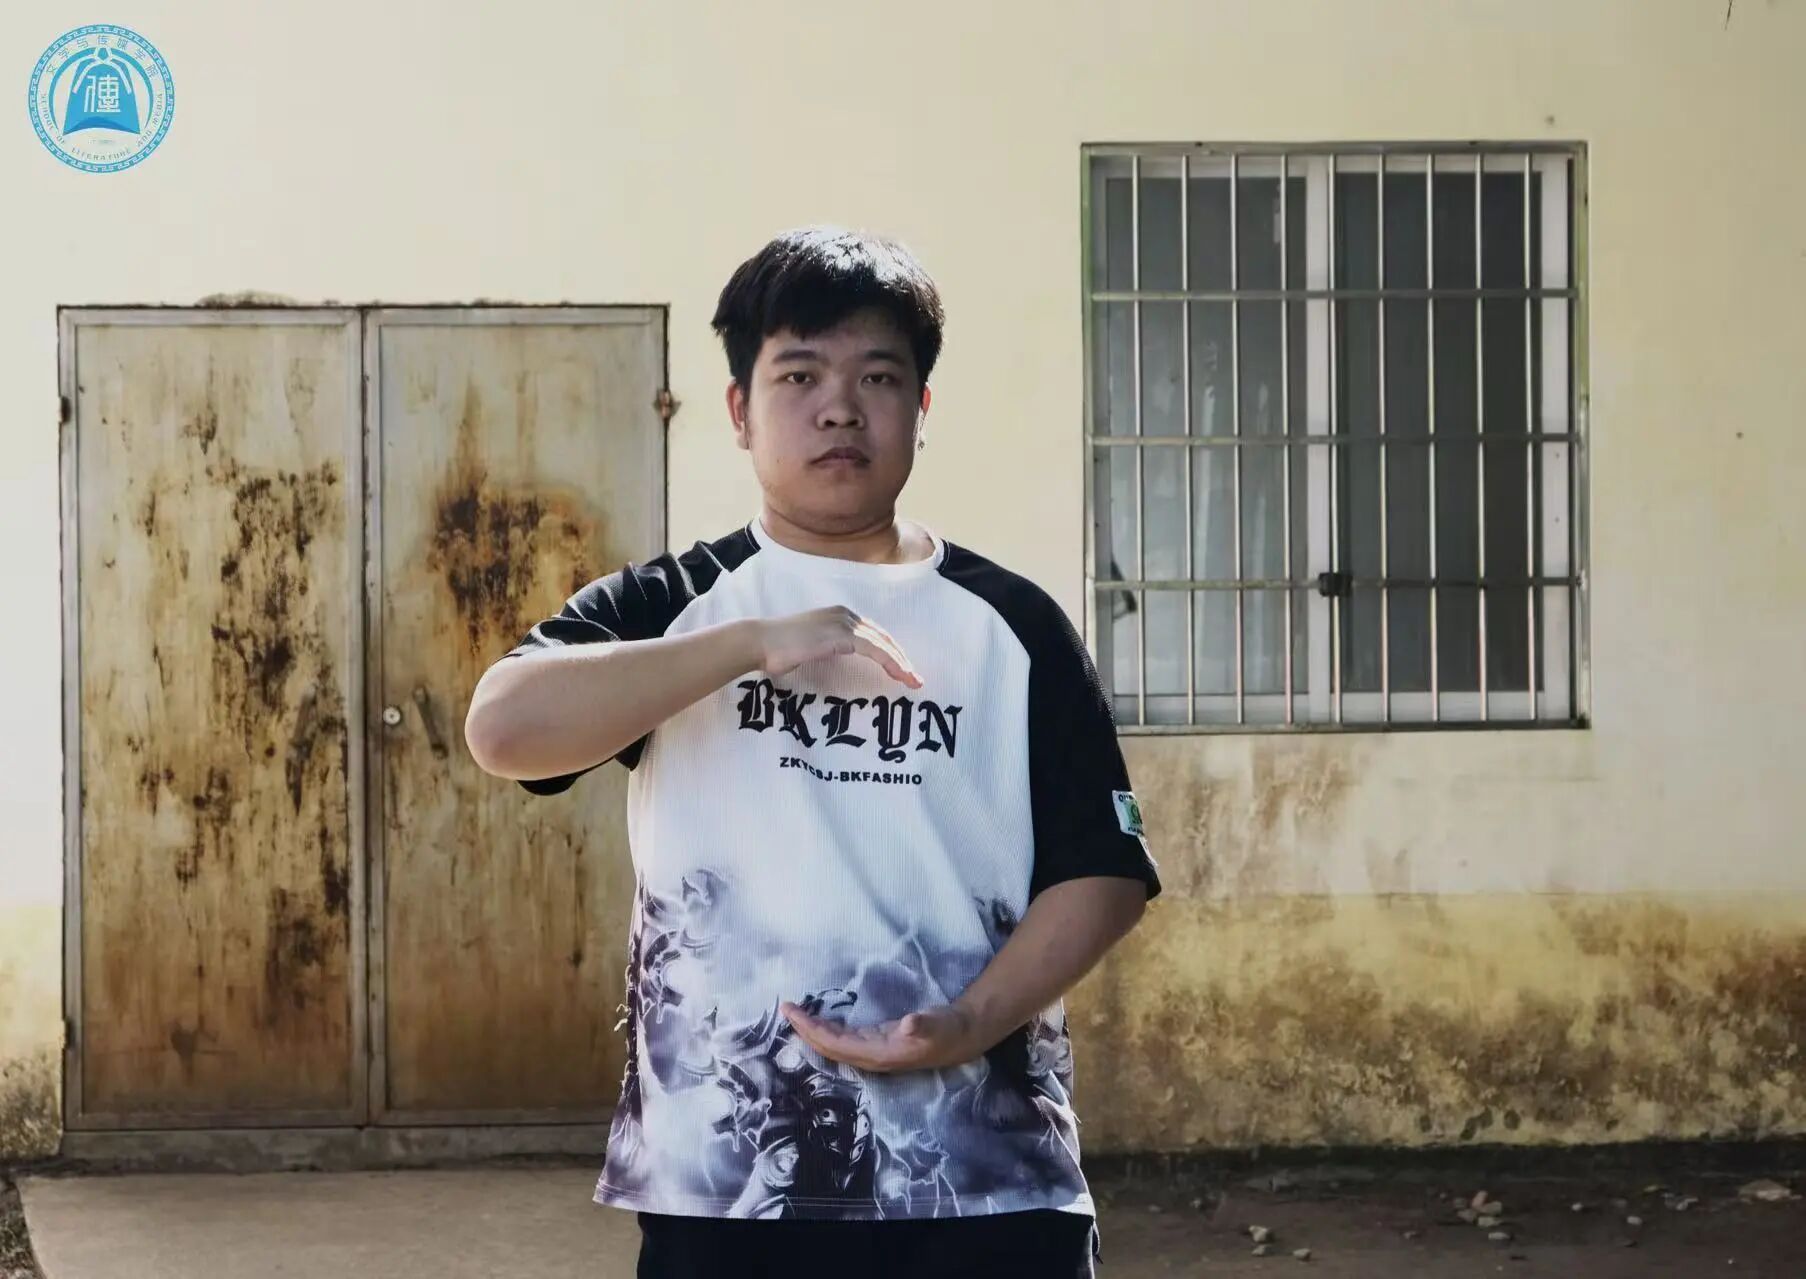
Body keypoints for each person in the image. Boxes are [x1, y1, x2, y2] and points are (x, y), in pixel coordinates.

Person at [464, 225, 1162, 1279]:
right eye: (799, 375)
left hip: (985, 1178)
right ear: (739, 410)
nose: (840, 407)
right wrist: (751, 644)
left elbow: (1101, 870)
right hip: (731, 1184)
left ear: (921, 409)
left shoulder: (1011, 624)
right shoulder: (677, 604)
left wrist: (965, 1022)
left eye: (878, 376)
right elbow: (504, 728)